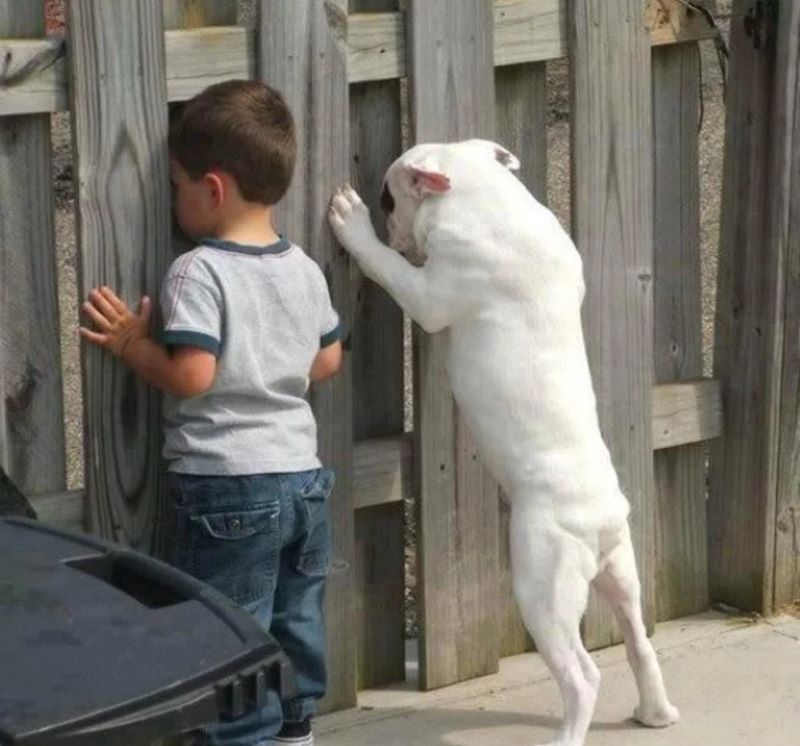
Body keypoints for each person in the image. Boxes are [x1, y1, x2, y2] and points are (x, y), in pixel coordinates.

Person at [80, 79, 342, 746]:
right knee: (294, 617)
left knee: (228, 627)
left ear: (214, 189)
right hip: (303, 480)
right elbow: (327, 361)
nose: (175, 201)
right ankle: (294, 730)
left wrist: (134, 344)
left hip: (228, 483)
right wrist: (269, 365)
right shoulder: (304, 269)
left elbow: (193, 375)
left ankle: (240, 739)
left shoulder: (197, 272)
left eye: (177, 185)